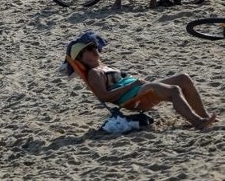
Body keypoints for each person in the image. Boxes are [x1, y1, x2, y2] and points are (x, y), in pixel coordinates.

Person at [65, 35, 217, 130]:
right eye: (89, 49)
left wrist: (136, 84)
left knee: (183, 78)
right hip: (134, 97)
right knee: (174, 89)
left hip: (139, 89)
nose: (94, 49)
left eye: (93, 46)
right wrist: (132, 85)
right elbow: (104, 96)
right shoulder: (94, 73)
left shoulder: (104, 67)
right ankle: (197, 122)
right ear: (81, 59)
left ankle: (204, 116)